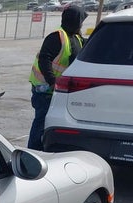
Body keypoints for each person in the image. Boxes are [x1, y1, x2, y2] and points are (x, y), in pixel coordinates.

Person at [27, 5, 88, 150]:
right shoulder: (57, 37)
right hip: (45, 90)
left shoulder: (76, 38)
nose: (82, 24)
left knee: (53, 123)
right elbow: (44, 59)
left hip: (59, 91)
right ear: (75, 21)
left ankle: (45, 148)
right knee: (41, 122)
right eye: (81, 21)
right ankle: (33, 151)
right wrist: (53, 81)